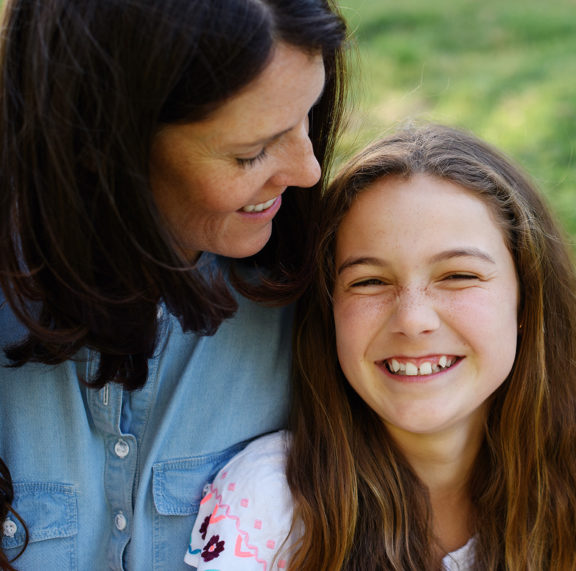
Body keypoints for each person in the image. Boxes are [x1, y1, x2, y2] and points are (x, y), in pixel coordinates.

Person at [186, 123, 576, 570]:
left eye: (458, 275)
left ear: (526, 301)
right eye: (368, 282)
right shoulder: (267, 510)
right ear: (329, 309)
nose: (413, 319)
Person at [0, 0, 349, 569]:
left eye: (307, 115)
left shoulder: (326, 299)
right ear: (100, 145)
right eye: (250, 152)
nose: (309, 171)